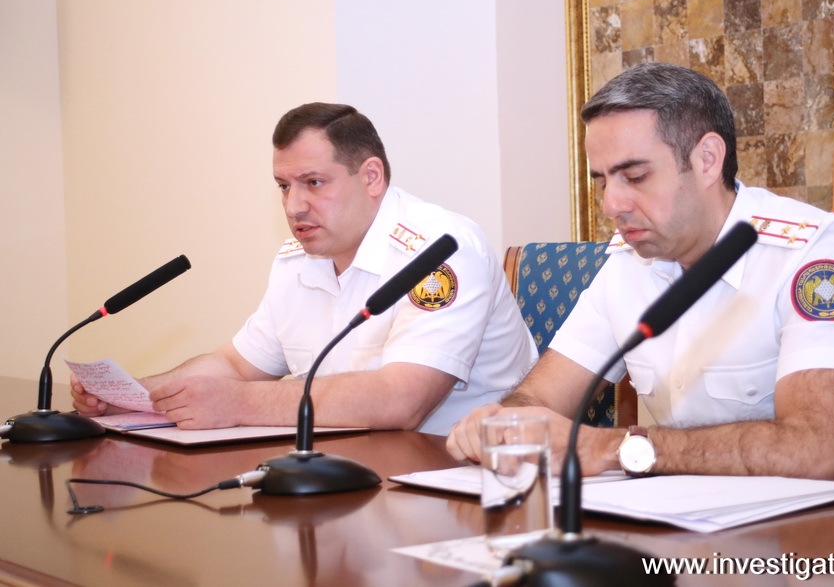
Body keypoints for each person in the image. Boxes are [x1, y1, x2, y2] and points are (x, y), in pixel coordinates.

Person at [446, 63, 834, 498]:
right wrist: (508, 421)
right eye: (602, 181)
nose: (611, 204)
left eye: (635, 176)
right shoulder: (628, 263)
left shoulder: (815, 253)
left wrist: (610, 448)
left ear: (707, 160)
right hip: (702, 528)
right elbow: (543, 396)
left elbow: (812, 451)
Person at [71, 103, 536, 436]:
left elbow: (402, 400)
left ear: (371, 177)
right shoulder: (299, 258)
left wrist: (240, 404)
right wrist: (135, 395)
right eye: (283, 186)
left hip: (457, 477)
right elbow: (236, 365)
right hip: (350, 467)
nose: (294, 206)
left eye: (313, 183)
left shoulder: (440, 252)